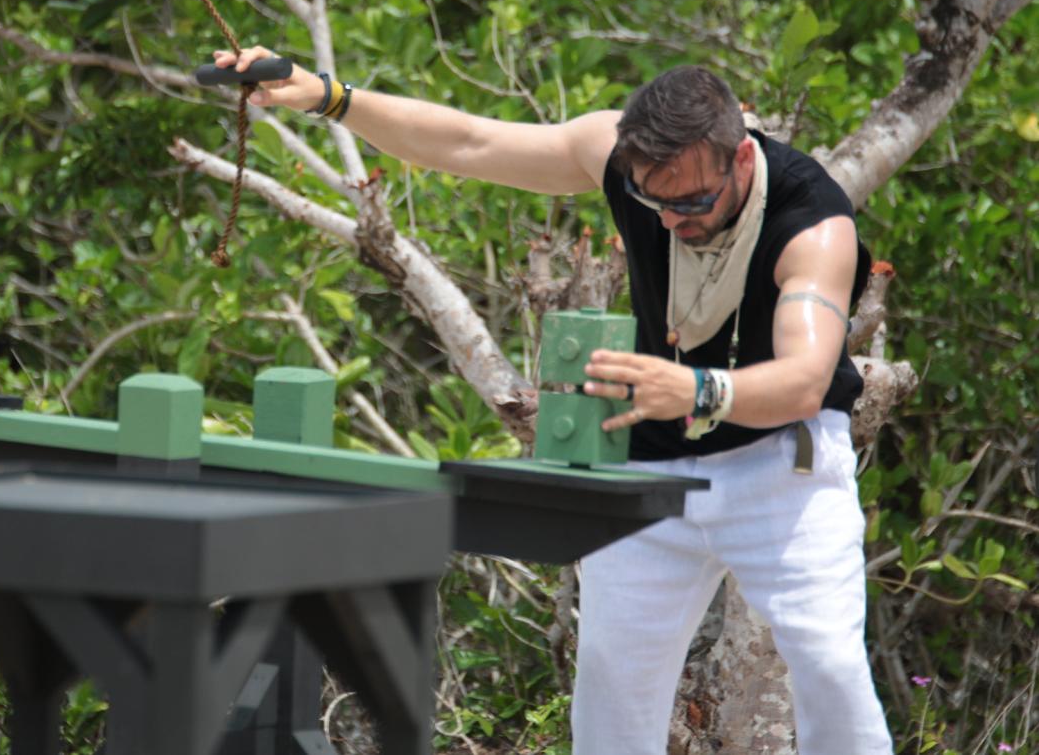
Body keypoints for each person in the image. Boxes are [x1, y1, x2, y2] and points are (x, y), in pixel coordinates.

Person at [211, 48, 893, 754]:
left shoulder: (812, 222)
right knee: (611, 686)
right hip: (651, 461)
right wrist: (327, 96)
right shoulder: (621, 159)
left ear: (741, 161)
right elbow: (470, 142)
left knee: (831, 667)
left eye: (691, 202)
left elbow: (806, 379)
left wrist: (695, 389)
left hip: (782, 466)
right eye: (652, 202)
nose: (669, 222)